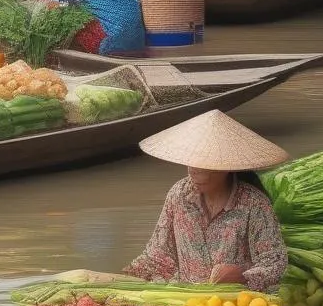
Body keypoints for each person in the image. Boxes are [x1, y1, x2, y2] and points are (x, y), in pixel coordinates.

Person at [123, 110, 289, 290]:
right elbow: (157, 255)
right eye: (191, 161)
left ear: (226, 167)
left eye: (203, 164)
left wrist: (241, 274)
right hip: (187, 304)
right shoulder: (178, 195)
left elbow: (275, 264)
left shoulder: (254, 204)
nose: (193, 170)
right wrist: (120, 278)